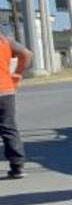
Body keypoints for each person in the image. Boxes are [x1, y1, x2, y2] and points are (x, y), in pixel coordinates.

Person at [0, 32, 32, 179]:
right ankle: (17, 166)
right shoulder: (5, 39)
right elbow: (26, 54)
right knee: (9, 127)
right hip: (6, 90)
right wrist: (17, 74)